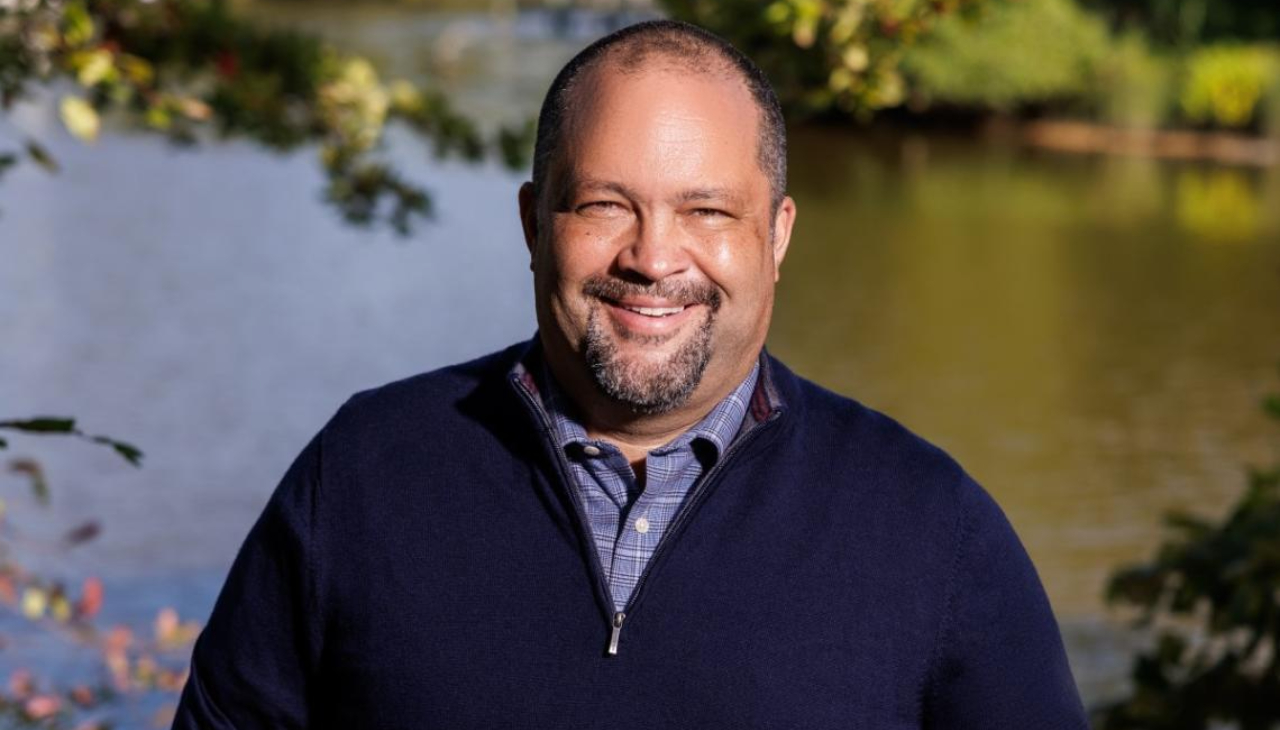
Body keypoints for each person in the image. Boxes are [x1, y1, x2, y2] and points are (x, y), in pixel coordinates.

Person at [173, 19, 1087, 729]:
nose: (654, 258)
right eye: (606, 204)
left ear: (777, 235)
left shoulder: (931, 531)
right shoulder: (365, 477)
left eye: (707, 210)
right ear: (535, 224)